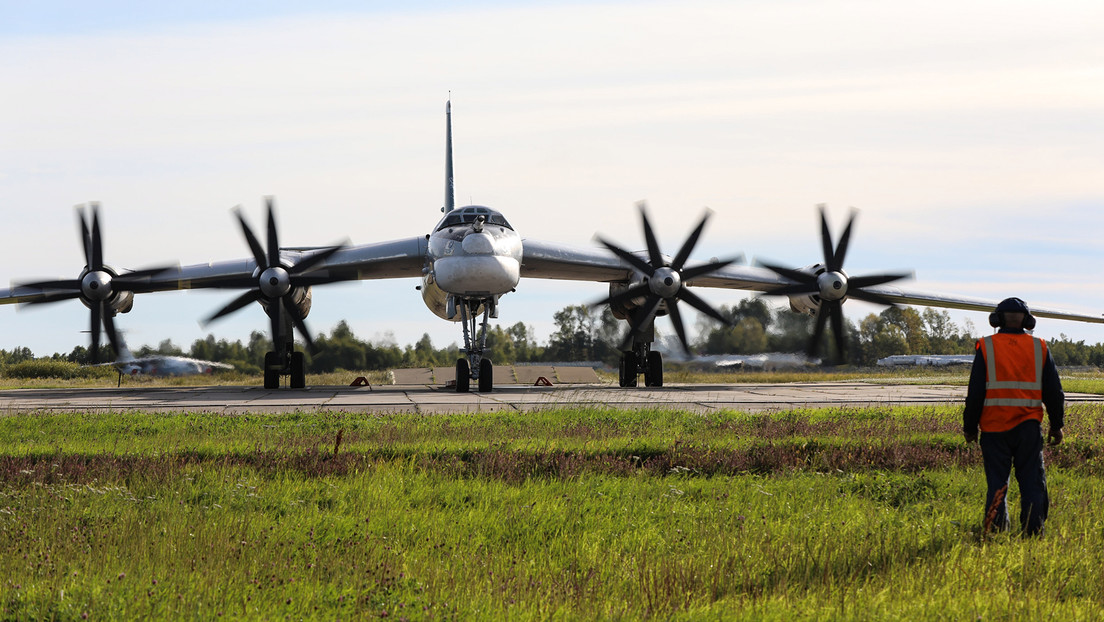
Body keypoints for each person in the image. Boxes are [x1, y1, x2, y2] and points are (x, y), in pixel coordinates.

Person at [963, 297, 1064, 536]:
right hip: (1028, 428)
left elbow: (975, 392)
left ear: (996, 319)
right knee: (1032, 482)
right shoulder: (1039, 346)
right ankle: (1033, 531)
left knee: (997, 484)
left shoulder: (986, 346)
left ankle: (995, 532)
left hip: (994, 427)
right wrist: (1057, 425)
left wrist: (969, 427)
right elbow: (1054, 391)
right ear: (1028, 321)